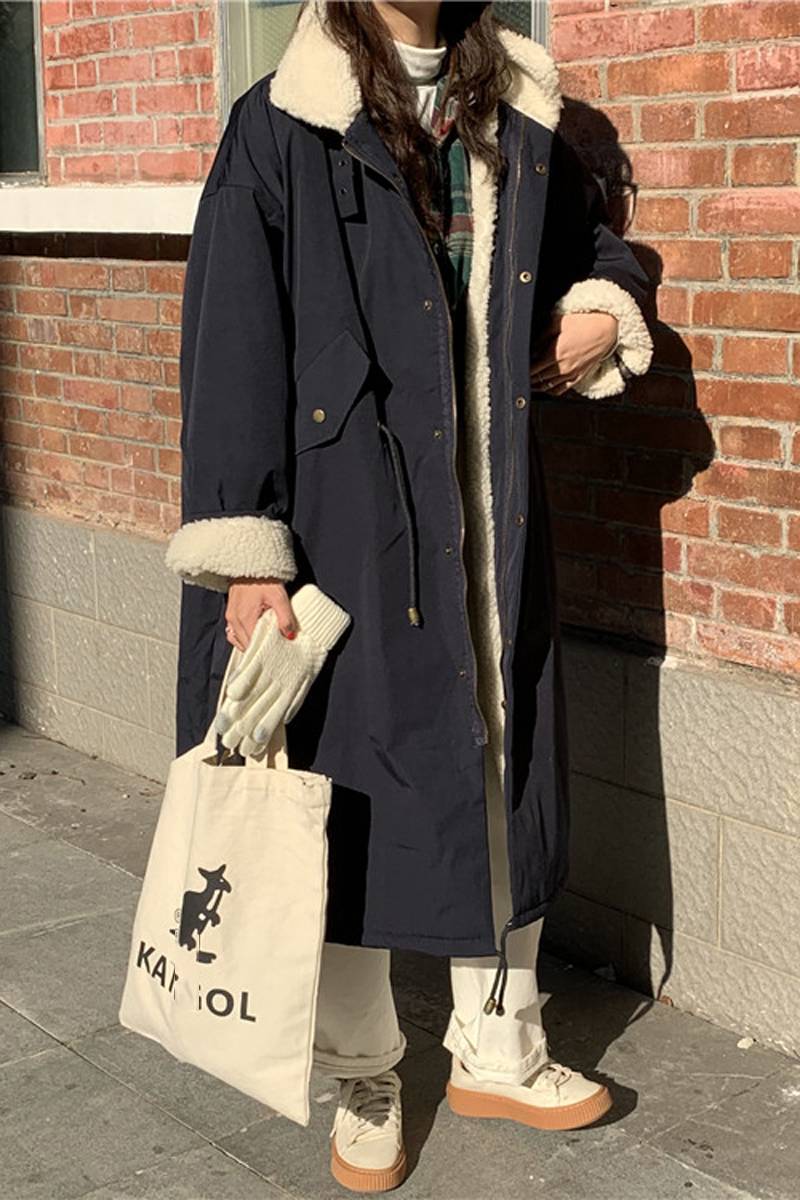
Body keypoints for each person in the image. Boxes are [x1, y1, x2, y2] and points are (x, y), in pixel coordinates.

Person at [165, 0, 654, 1191]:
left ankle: (499, 1044)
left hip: (488, 518)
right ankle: (364, 1074)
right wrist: (250, 555)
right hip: (344, 525)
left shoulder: (520, 115)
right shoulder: (281, 124)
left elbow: (593, 242)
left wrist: (599, 306)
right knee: (340, 788)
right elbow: (230, 342)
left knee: (501, 767)